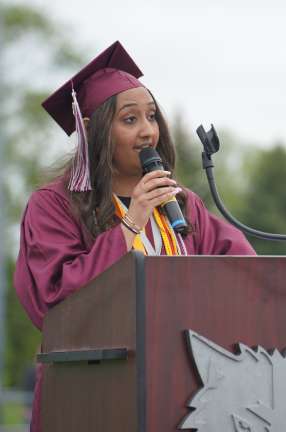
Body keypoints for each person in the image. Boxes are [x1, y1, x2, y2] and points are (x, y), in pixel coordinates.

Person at [14, 41, 256, 431]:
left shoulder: (181, 203)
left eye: (152, 117)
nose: (148, 131)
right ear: (93, 131)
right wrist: (131, 223)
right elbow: (52, 300)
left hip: (181, 383)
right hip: (91, 388)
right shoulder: (54, 205)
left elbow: (241, 271)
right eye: (129, 120)